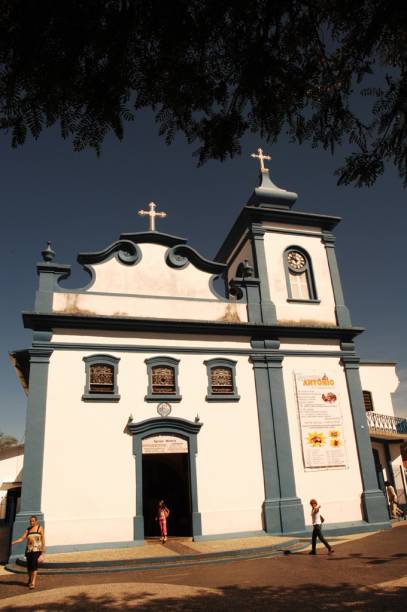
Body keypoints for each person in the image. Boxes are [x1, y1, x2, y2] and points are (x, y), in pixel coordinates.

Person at [12, 515, 46, 588]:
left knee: (34, 566)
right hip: (29, 550)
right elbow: (22, 538)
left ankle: (33, 582)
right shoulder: (28, 529)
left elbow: (43, 539)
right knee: (29, 567)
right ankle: (30, 579)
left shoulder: (40, 528)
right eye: (30, 521)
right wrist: (14, 542)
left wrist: (43, 551)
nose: (31, 522)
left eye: (33, 521)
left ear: (36, 521)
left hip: (37, 550)